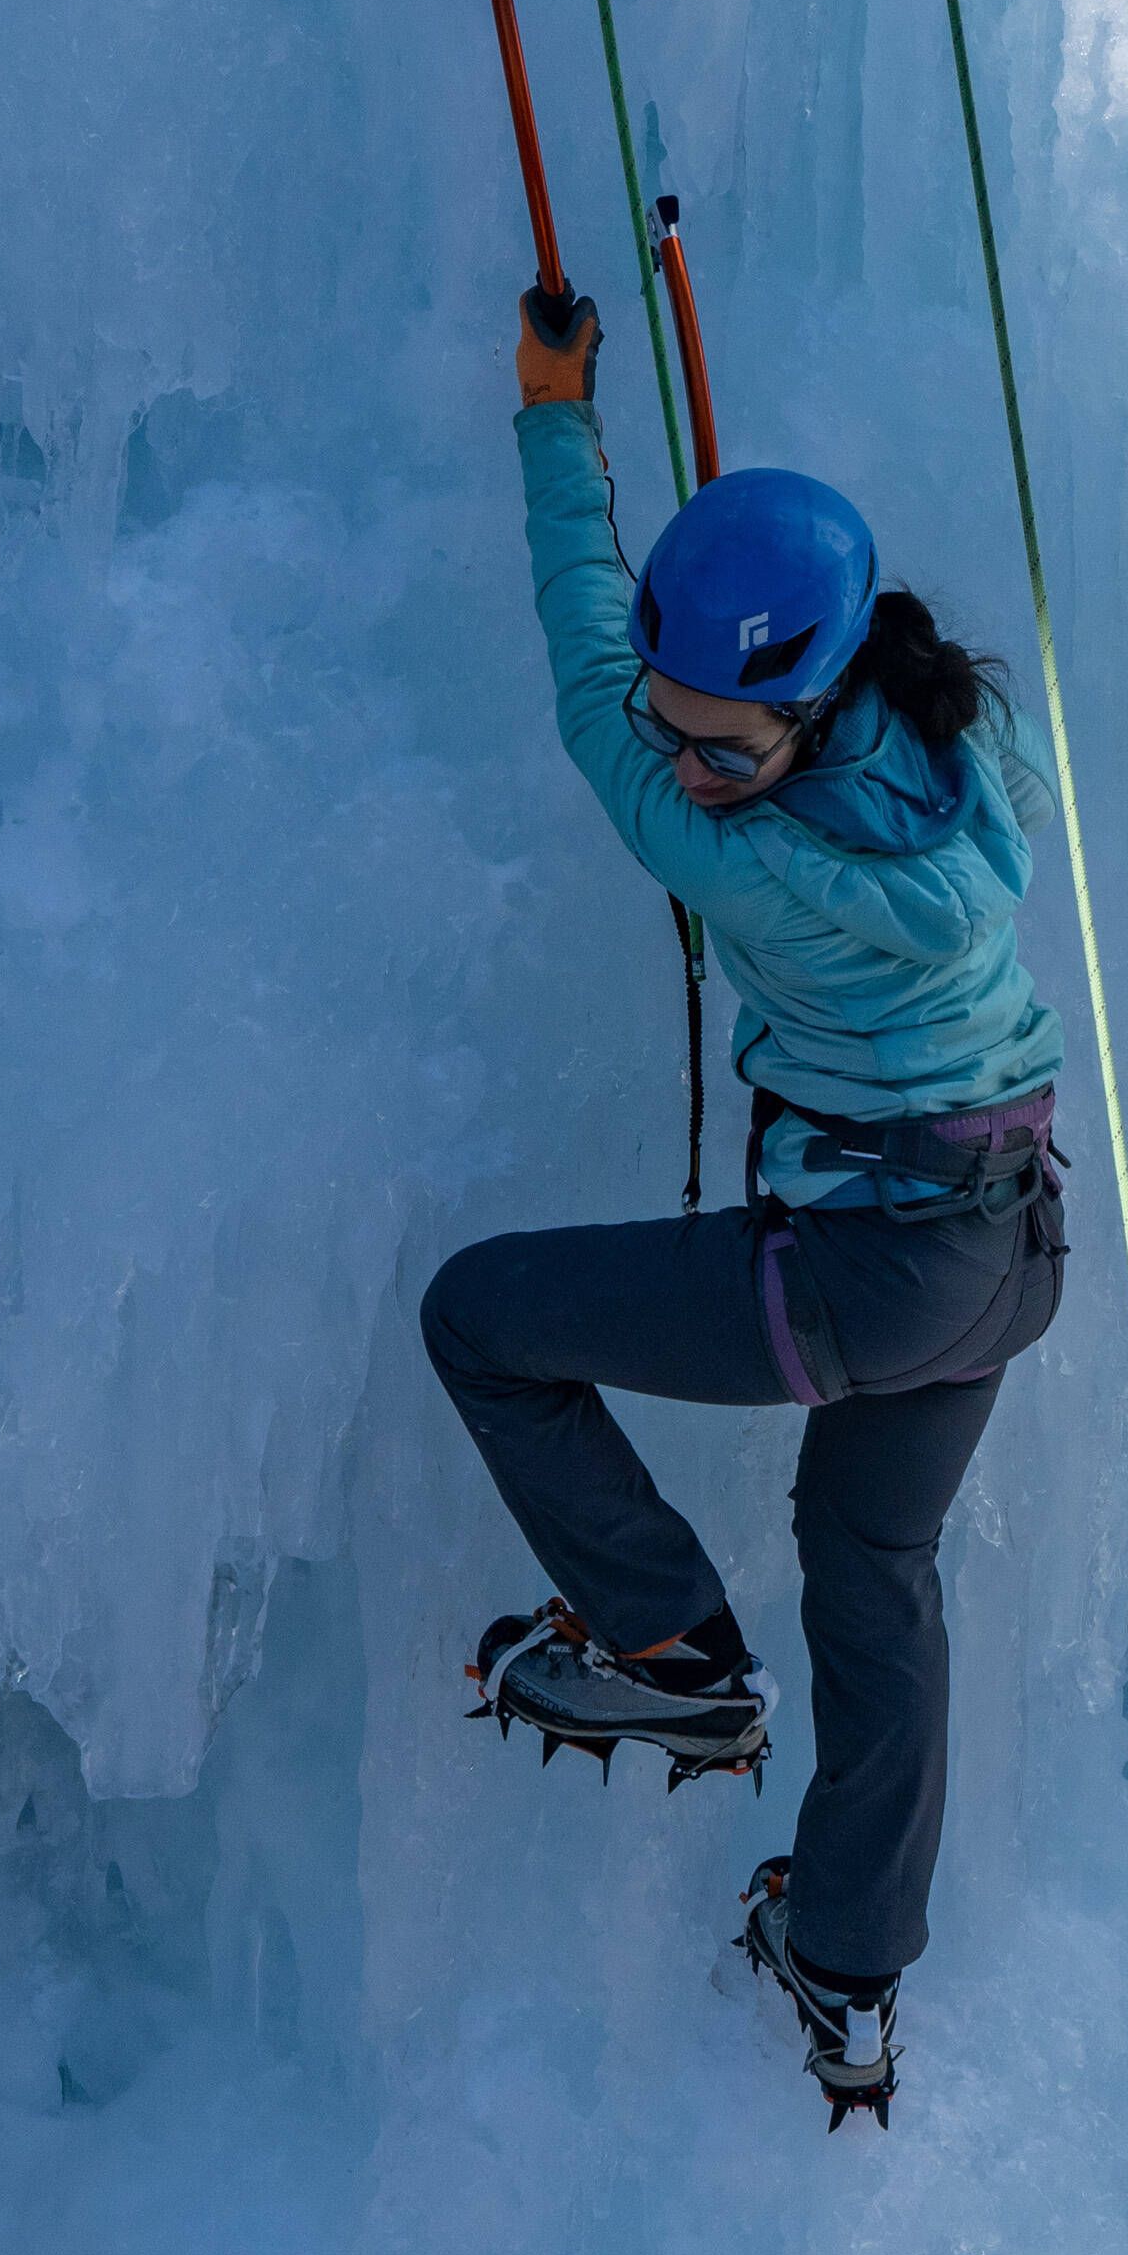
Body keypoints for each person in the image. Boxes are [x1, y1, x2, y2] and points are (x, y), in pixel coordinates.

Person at [419, 285, 1065, 2126]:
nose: (682, 756)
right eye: (671, 722)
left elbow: (570, 657)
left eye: (718, 736)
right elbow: (679, 669)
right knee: (871, 1572)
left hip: (869, 1269)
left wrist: (557, 416)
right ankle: (849, 1968)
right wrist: (734, 637)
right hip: (1008, 1251)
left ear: (794, 721)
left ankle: (668, 1653)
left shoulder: (732, 845)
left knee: (482, 1317)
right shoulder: (958, 745)